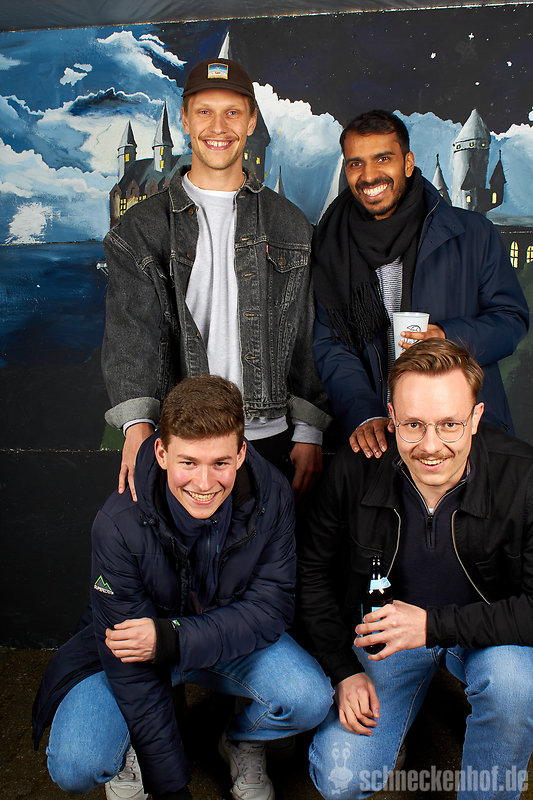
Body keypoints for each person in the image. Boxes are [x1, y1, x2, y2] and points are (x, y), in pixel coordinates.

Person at [32, 374, 333, 800]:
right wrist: (172, 790)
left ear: (241, 453)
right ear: (161, 452)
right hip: (137, 654)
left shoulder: (273, 496)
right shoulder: (117, 522)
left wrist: (171, 638)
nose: (204, 484)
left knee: (309, 698)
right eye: (188, 462)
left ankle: (242, 739)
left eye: (220, 463)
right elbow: (129, 661)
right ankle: (135, 744)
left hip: (217, 640)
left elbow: (271, 610)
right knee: (76, 765)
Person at [298, 339, 533, 800]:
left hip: (487, 635)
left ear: (476, 418)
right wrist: (343, 670)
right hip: (388, 635)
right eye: (413, 425)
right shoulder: (355, 468)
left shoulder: (523, 478)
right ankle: (394, 729)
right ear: (391, 416)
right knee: (341, 780)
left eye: (449, 425)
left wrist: (431, 625)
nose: (430, 446)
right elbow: (312, 572)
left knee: (513, 686)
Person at [101, 57, 329, 502]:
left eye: (232, 112)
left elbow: (305, 332)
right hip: (180, 441)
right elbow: (132, 331)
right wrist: (137, 425)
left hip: (269, 438)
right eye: (205, 111)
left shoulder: (290, 224)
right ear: (185, 120)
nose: (218, 126)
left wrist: (309, 431)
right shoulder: (141, 228)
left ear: (251, 121)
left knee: (271, 546)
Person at [312, 109, 528, 460]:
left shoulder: (472, 234)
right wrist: (364, 414)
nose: (369, 175)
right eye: (356, 163)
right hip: (380, 441)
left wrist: (447, 337)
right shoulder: (332, 245)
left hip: (463, 438)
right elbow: (333, 344)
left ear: (408, 163)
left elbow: (511, 321)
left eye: (383, 158)